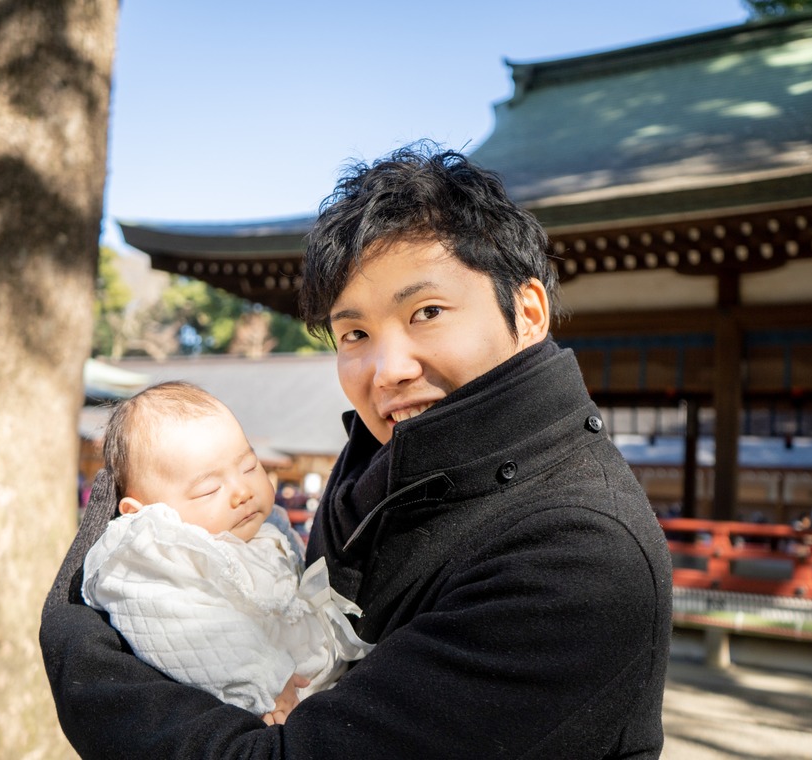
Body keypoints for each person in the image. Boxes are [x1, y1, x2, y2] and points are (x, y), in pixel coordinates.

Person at [41, 144, 673, 759]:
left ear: (527, 311)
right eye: (355, 333)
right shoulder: (384, 465)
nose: (387, 368)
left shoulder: (580, 552)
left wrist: (71, 633)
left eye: (427, 311)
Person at [81, 381, 371, 725]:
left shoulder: (268, 529)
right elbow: (188, 630)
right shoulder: (151, 553)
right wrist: (267, 680)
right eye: (209, 489)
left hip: (324, 695)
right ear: (141, 513)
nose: (242, 492)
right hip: (254, 706)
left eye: (249, 467)